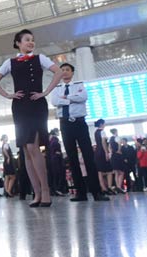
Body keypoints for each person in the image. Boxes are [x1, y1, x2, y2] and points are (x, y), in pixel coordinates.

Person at [0, 29, 62, 207]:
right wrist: (8, 95)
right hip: (20, 106)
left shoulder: (40, 58)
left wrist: (45, 92)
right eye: (27, 40)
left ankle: (45, 190)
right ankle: (36, 193)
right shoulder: (10, 62)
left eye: (32, 40)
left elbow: (58, 72)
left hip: (37, 104)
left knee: (33, 146)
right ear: (18, 43)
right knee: (26, 151)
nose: (31, 43)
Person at [50, 62, 107, 202]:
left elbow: (83, 97)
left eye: (67, 69)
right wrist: (71, 99)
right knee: (72, 159)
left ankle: (96, 192)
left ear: (72, 72)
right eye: (62, 70)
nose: (64, 72)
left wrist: (65, 98)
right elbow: (54, 101)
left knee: (88, 157)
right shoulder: (56, 88)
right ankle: (80, 193)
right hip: (65, 124)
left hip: (80, 123)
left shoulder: (79, 85)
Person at [93, 119, 114, 195]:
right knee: (109, 171)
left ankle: (103, 188)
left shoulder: (96, 132)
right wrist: (106, 152)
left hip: (97, 152)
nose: (105, 124)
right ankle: (109, 187)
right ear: (101, 124)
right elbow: (103, 142)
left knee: (100, 171)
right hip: (102, 152)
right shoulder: (102, 131)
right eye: (104, 123)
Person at [47, 129, 65, 197]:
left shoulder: (50, 140)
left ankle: (54, 190)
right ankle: (59, 189)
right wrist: (59, 154)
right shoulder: (55, 140)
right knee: (59, 174)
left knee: (54, 175)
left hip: (52, 159)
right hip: (57, 159)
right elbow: (57, 150)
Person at [109, 128, 126, 193]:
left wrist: (112, 152)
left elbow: (110, 147)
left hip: (113, 156)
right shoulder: (117, 137)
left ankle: (117, 186)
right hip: (118, 156)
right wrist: (119, 150)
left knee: (116, 172)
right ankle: (119, 186)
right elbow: (119, 144)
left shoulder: (110, 139)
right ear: (116, 131)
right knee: (121, 172)